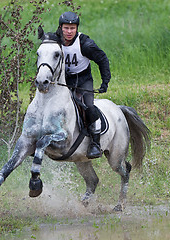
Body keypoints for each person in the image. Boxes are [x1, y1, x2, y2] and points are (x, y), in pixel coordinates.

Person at [57, 11, 111, 159]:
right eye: (66, 28)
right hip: (64, 81)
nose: (69, 32)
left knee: (89, 106)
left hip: (83, 80)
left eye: (72, 28)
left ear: (76, 28)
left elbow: (102, 59)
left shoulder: (85, 44)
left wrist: (105, 81)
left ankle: (95, 143)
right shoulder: (55, 41)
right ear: (60, 27)